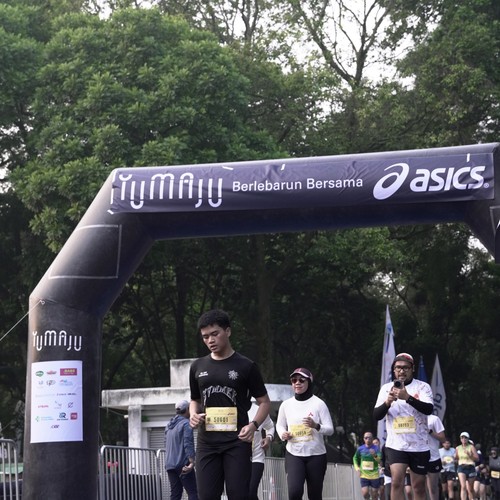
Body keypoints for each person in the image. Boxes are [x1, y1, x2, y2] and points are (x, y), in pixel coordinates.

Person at [189, 309, 271, 500]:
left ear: (228, 331)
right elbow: (195, 399)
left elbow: (264, 402)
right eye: (205, 337)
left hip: (237, 442)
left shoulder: (246, 366)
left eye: (215, 334)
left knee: (239, 495)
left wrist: (254, 425)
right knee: (206, 496)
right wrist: (193, 414)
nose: (210, 340)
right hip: (207, 443)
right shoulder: (197, 367)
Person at [374, 352, 434, 500]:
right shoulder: (386, 388)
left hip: (419, 445)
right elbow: (376, 415)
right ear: (394, 370)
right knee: (396, 483)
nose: (401, 371)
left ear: (412, 369)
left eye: (406, 368)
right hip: (396, 445)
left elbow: (428, 409)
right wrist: (388, 402)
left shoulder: (423, 387)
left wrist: (407, 397)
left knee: (418, 486)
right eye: (398, 368)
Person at [276, 367, 334, 500]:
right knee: (294, 492)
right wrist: (283, 434)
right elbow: (279, 425)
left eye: (301, 380)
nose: (297, 383)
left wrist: (316, 426)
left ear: (309, 382)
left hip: (316, 455)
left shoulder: (319, 404)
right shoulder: (286, 404)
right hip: (294, 454)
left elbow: (330, 429)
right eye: (294, 380)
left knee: (314, 495)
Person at [164, 400, 199, 500]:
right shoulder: (186, 423)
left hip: (170, 465)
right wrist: (192, 462)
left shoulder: (168, 426)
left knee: (176, 494)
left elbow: (165, 444)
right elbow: (188, 443)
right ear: (188, 409)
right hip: (183, 464)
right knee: (193, 492)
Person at [248, 402, 275, 500]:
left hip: (256, 458)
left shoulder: (259, 410)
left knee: (250, 492)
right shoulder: (230, 408)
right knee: (239, 493)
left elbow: (270, 426)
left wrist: (268, 438)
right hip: (236, 459)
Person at [353, 431, 382, 499]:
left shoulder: (376, 449)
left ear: (372, 439)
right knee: (365, 493)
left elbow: (379, 461)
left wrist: (374, 455)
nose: (368, 439)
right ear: (364, 439)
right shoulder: (360, 449)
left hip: (374, 475)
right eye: (366, 438)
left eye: (369, 438)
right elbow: (355, 458)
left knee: (374, 494)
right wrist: (357, 468)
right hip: (364, 475)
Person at [426, 414, 446, 500]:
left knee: (433, 487)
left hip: (433, 457)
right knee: (418, 486)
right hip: (418, 456)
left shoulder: (434, 419)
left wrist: (430, 432)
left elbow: (443, 438)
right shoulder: (413, 418)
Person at [455, 431, 479, 500]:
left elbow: (477, 459)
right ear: (460, 439)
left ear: (468, 439)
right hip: (461, 467)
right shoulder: (458, 448)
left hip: (470, 467)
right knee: (463, 486)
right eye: (462, 437)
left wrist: (470, 454)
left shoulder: (471, 447)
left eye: (465, 438)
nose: (464, 439)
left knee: (470, 488)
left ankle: (473, 498)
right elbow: (456, 458)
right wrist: (454, 458)